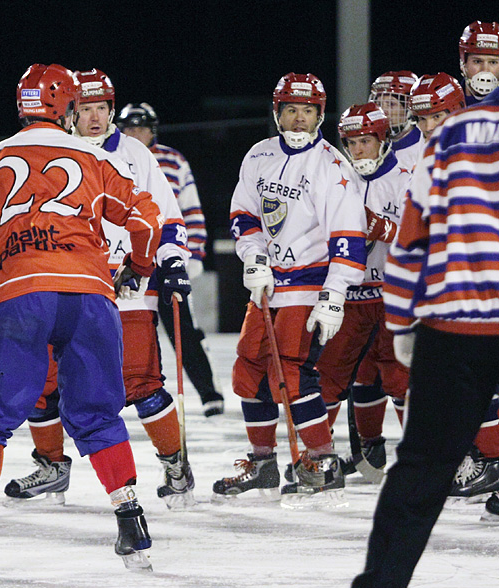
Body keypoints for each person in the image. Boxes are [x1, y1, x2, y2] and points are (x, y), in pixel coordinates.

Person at [0, 63, 162, 574]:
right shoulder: (93, 153)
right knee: (99, 412)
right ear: (66, 109)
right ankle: (130, 519)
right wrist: (141, 264)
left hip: (21, 292)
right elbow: (146, 218)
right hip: (90, 293)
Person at [1, 69, 195, 510]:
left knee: (140, 382)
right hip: (62, 280)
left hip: (127, 284)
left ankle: (174, 462)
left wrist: (172, 262)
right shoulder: (52, 151)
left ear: (112, 109)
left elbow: (167, 216)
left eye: (101, 108)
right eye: (84, 107)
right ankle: (52, 466)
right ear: (69, 110)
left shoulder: (135, 155)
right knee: (41, 379)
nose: (93, 116)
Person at [350, 82, 499, 588]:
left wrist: (401, 318)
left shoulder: (452, 134)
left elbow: (413, 237)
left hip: (453, 324)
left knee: (420, 473)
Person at [213, 73, 366, 504]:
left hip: (309, 281)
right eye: (292, 111)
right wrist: (254, 255)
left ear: (320, 115)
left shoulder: (333, 167)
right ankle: (263, 464)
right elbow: (244, 212)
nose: (300, 120)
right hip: (267, 282)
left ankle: (322, 460)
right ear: (277, 112)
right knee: (249, 368)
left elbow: (348, 238)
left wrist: (334, 295)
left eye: (309, 111)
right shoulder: (259, 154)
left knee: (293, 374)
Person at [312, 103, 411, 482]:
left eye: (365, 141)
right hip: (350, 294)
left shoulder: (406, 178)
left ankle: (420, 456)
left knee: (399, 377)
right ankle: (320, 456)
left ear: (383, 139)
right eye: (351, 143)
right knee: (332, 376)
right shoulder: (337, 177)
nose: (357, 151)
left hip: (392, 293)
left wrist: (381, 228)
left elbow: (427, 239)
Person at [117, 101, 226, 417]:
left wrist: (191, 255)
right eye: (130, 128)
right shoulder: (111, 159)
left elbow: (190, 210)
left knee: (184, 329)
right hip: (129, 260)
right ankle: (135, 390)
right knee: (128, 328)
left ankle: (209, 392)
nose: (136, 134)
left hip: (168, 257)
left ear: (153, 131)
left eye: (142, 128)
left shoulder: (173, 161)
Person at [368, 71, 423, 172]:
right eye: (378, 104)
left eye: (391, 104)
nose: (382, 111)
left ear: (410, 108)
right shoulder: (370, 147)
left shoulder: (426, 146)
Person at [409, 72, 466, 142]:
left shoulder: (478, 146)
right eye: (422, 119)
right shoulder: (407, 151)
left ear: (457, 113)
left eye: (436, 116)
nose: (428, 128)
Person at [459, 21, 499, 106]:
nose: (485, 70)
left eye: (493, 62)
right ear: (463, 63)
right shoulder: (444, 107)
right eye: (477, 61)